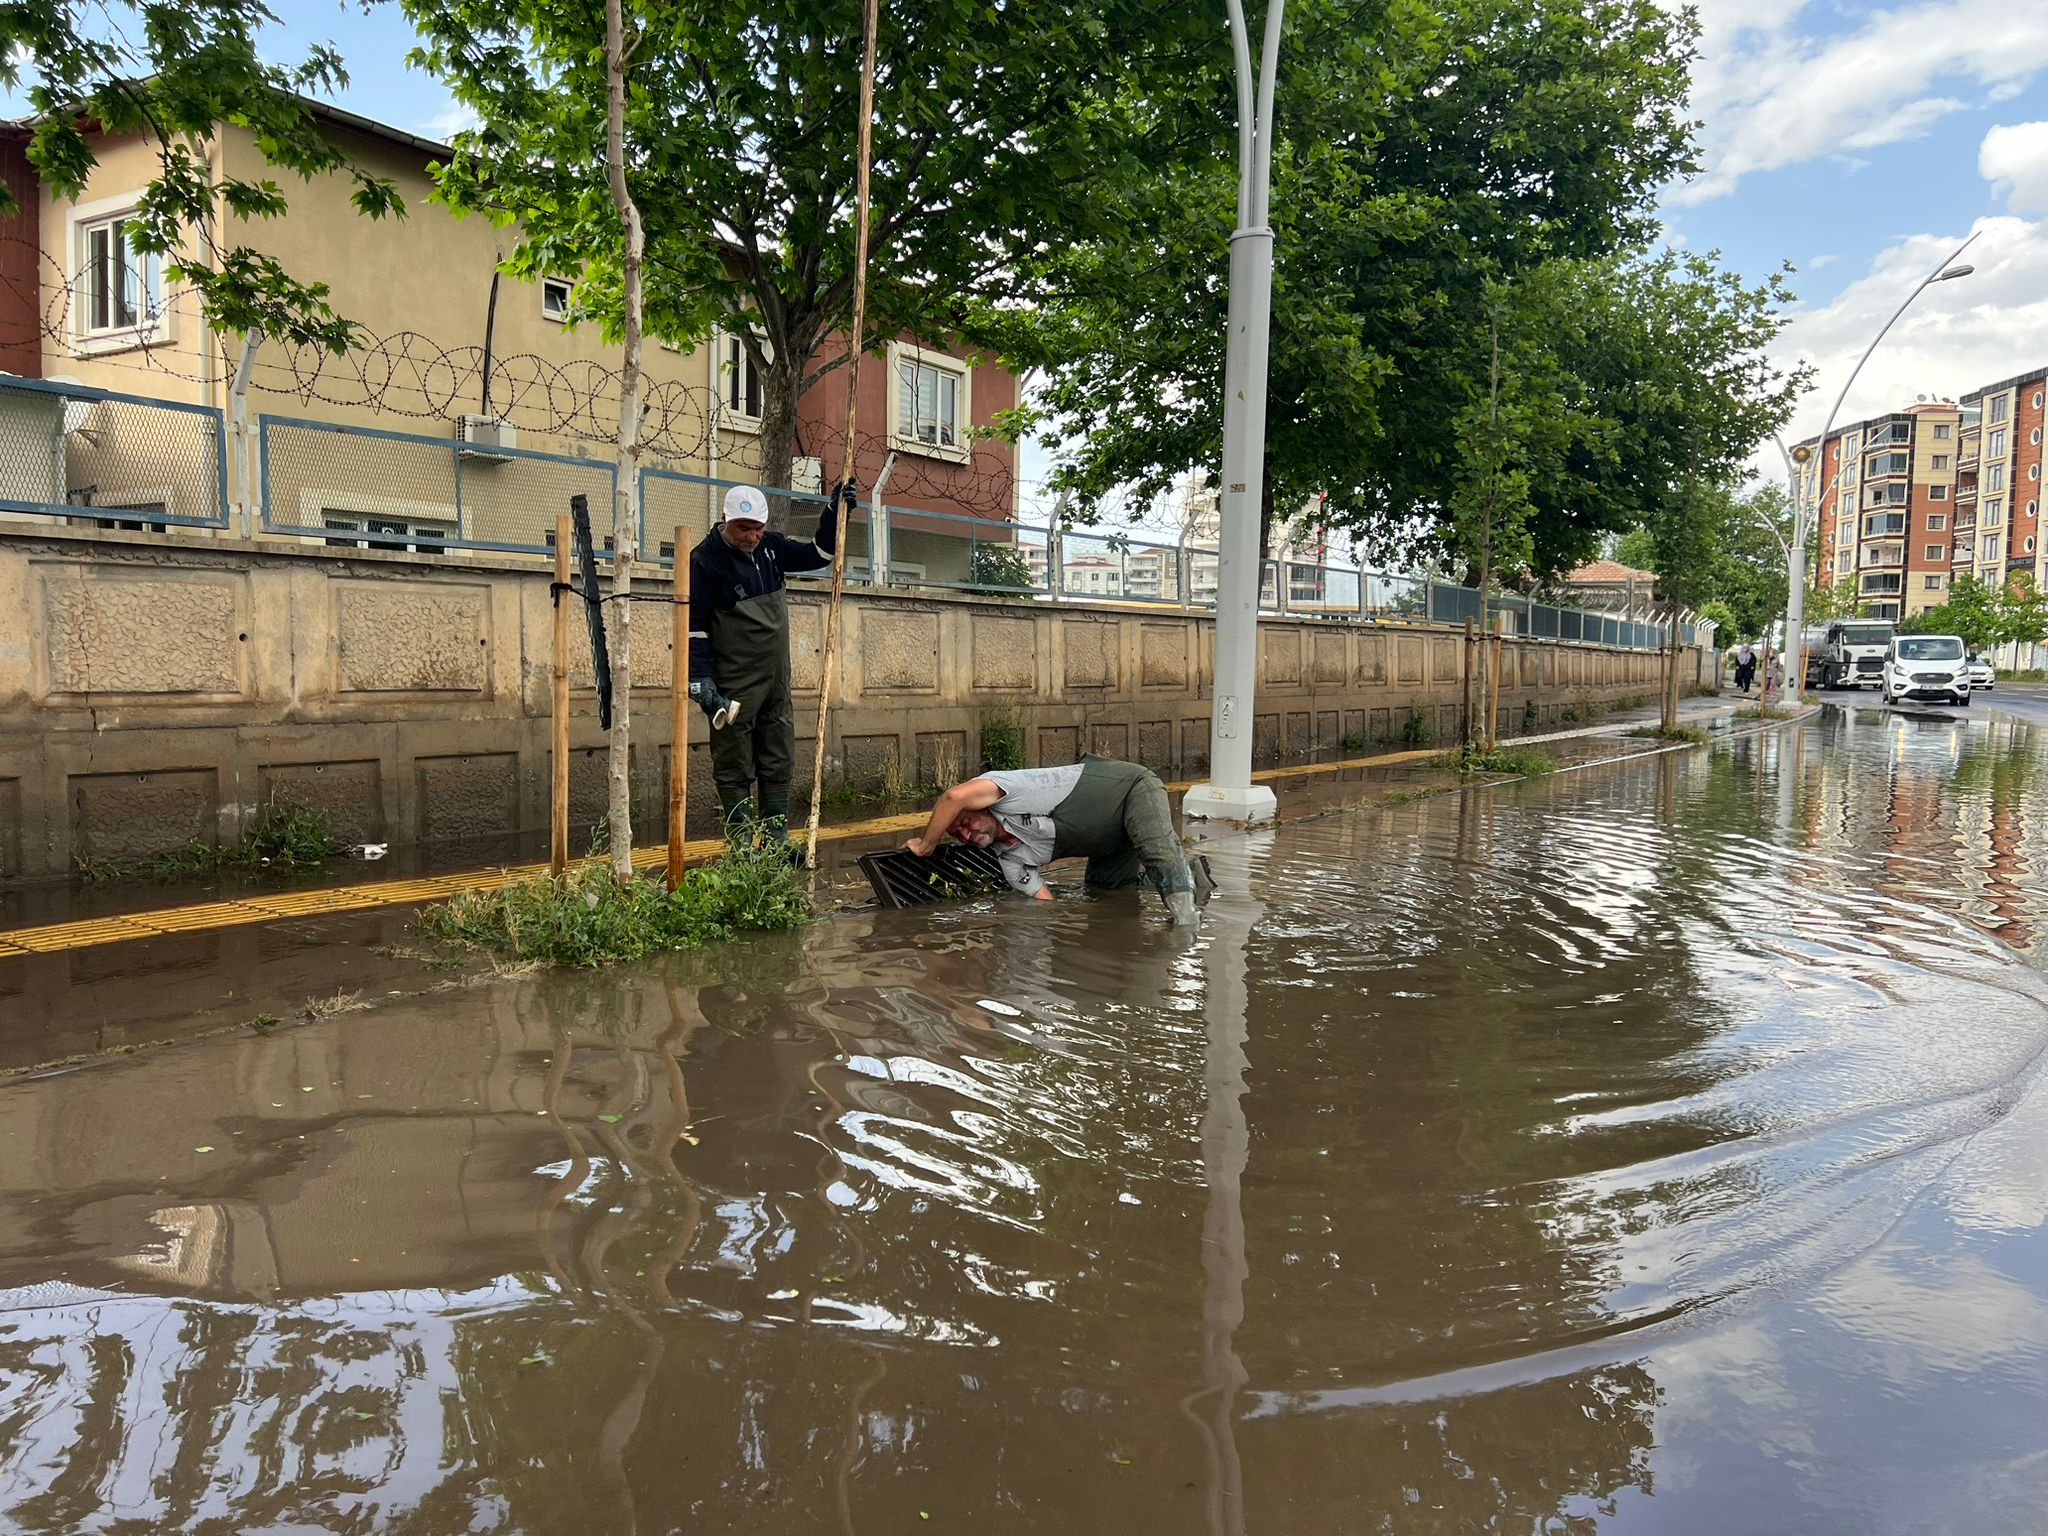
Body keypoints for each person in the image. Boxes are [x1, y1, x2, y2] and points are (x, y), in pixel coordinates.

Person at [687, 481, 851, 840]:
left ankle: (776, 841)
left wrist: (834, 513)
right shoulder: (704, 559)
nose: (752, 537)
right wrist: (699, 677)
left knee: (777, 754)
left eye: (757, 528)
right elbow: (695, 627)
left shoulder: (772, 548)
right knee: (733, 761)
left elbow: (819, 556)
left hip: (776, 679)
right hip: (734, 680)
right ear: (725, 519)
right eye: (743, 528)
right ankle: (743, 846)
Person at [904, 756, 1212, 924]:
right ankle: (1193, 874)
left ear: (980, 806)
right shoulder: (1011, 862)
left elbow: (953, 797)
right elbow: (1045, 903)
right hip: (1107, 841)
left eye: (965, 823)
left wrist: (926, 845)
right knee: (1107, 890)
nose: (966, 834)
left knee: (1155, 848)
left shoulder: (1006, 788)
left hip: (1130, 789)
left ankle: (1187, 925)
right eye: (958, 835)